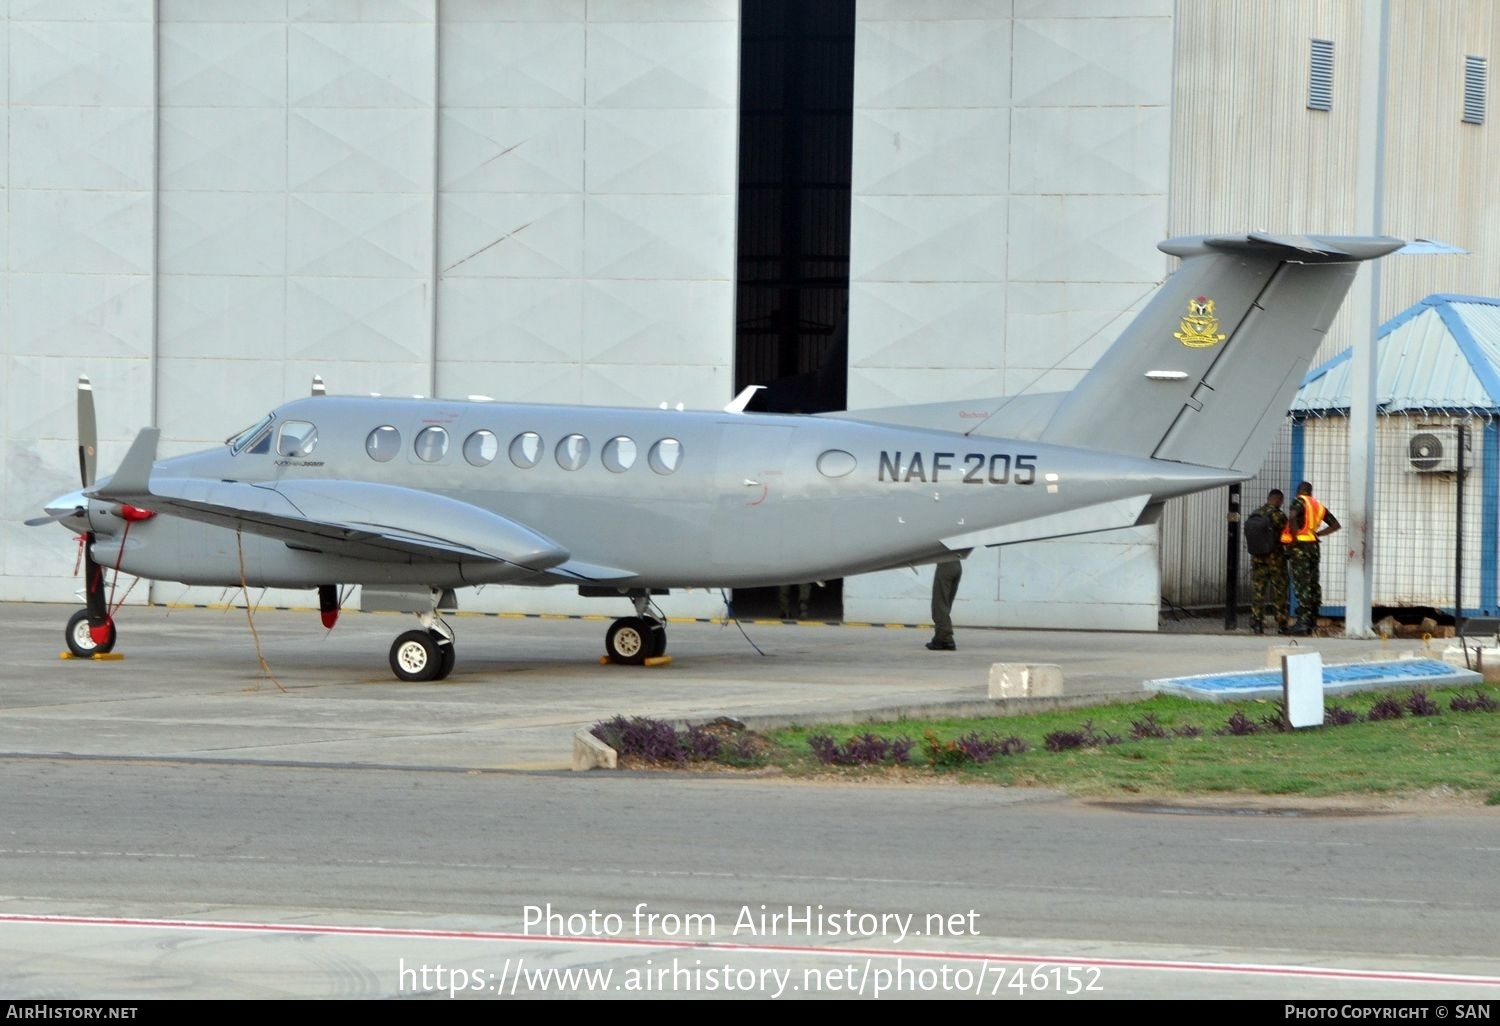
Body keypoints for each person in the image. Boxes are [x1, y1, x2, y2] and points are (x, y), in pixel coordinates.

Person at [1280, 480, 1341, 635]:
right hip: (1313, 546)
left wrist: (1293, 538)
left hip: (1300, 547)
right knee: (1313, 581)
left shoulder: (1299, 502)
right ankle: (1312, 619)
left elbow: (1293, 517)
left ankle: (1303, 622)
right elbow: (1335, 525)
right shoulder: (1318, 506)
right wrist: (1318, 534)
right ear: (1311, 492)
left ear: (1299, 491)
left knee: (1302, 583)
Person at [1247, 488, 1290, 635]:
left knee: (1258, 591)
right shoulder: (1279, 516)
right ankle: (1282, 624)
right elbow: (1287, 536)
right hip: (1275, 560)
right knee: (1280, 591)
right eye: (1281, 500)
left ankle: (1257, 623)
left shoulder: (1256, 514)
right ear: (1278, 499)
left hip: (1258, 559)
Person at [926, 559, 963, 650]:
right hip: (957, 565)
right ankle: (942, 638)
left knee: (939, 605)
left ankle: (944, 639)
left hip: (945, 565)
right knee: (945, 604)